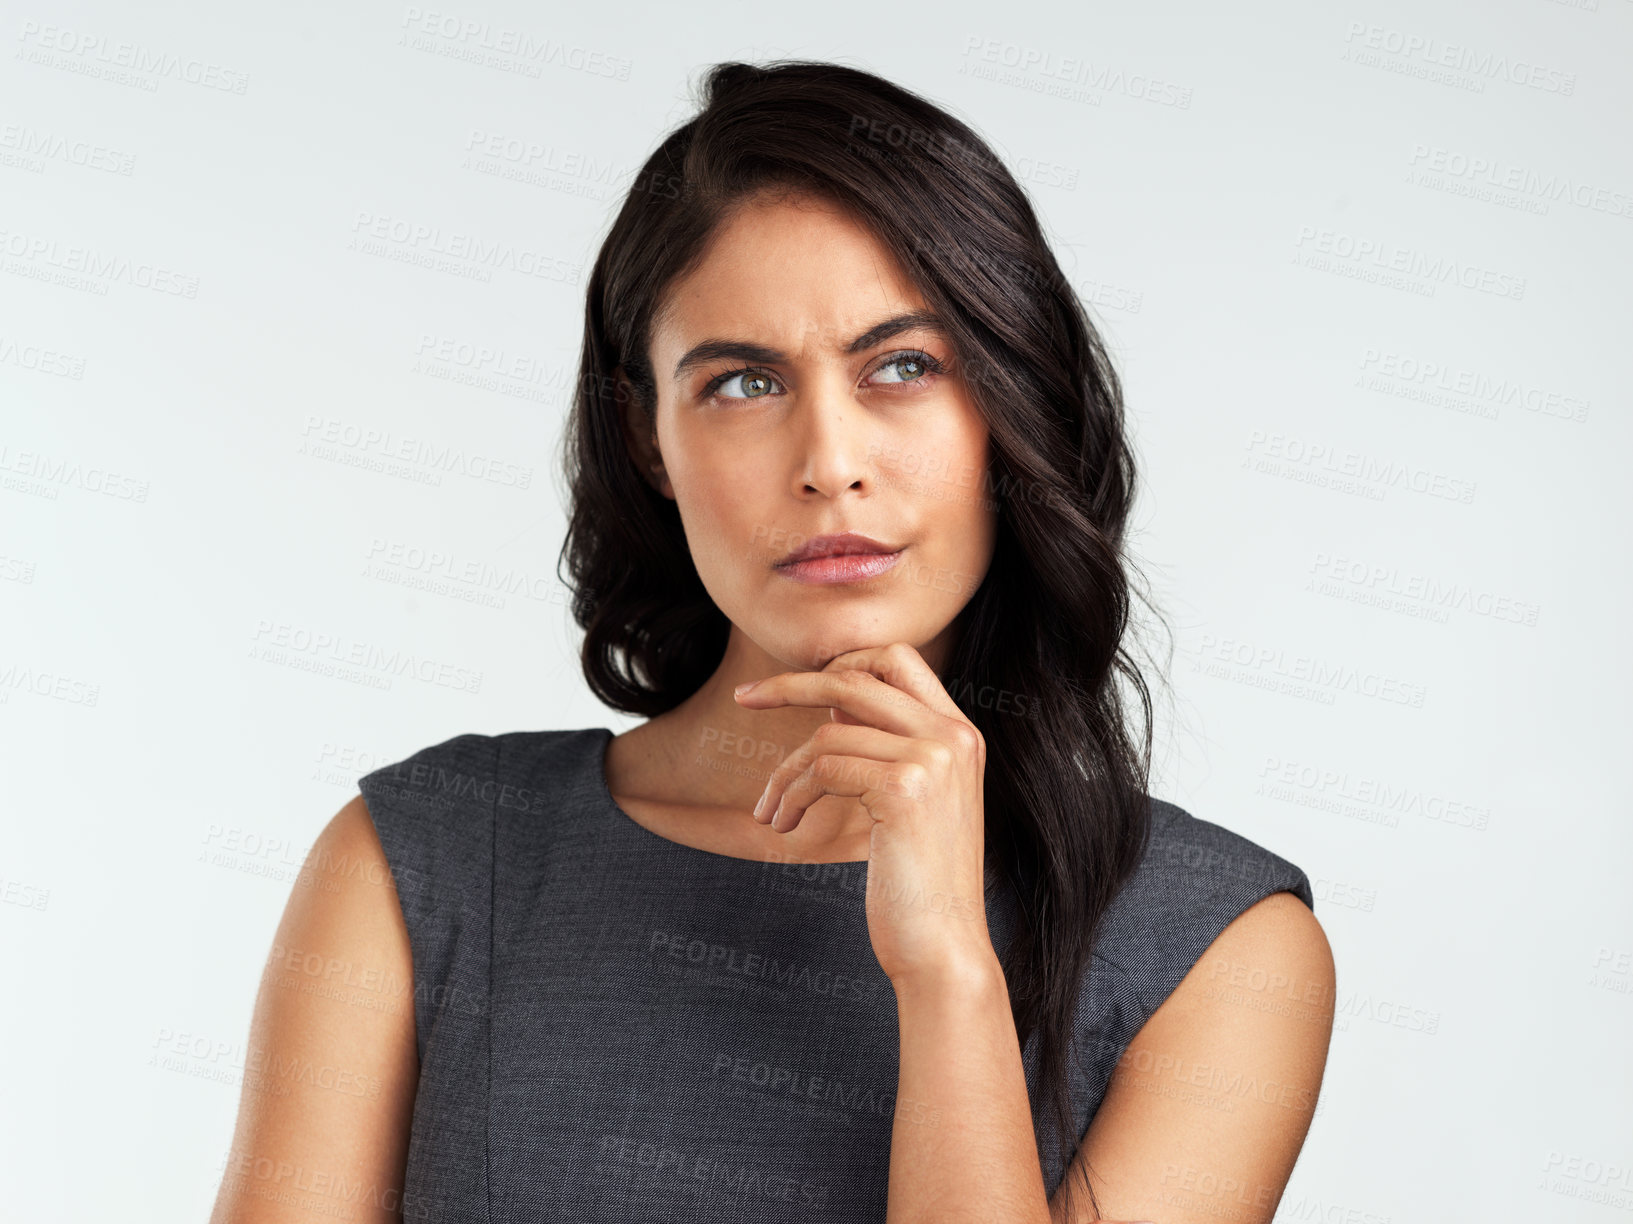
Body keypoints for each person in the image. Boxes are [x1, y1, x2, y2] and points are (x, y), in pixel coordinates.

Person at [210, 60, 1334, 1224]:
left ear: (1010, 402)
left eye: (903, 366)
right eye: (743, 383)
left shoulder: (1221, 953)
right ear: (650, 441)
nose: (827, 460)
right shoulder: (428, 862)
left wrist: (947, 968)